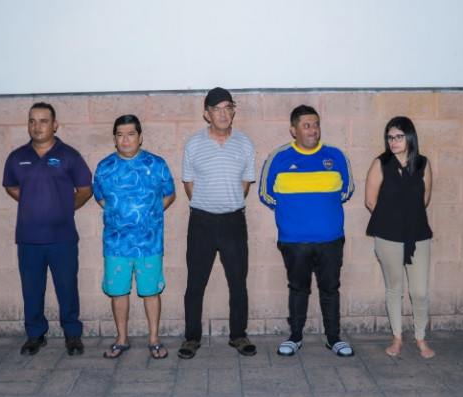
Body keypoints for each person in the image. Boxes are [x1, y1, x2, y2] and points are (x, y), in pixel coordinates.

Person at [259, 105, 355, 357]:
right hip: (294, 241)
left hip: (330, 239)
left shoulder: (336, 156)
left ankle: (333, 338)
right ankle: (295, 336)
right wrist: (295, 217)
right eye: (306, 125)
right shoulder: (278, 158)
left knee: (330, 288)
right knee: (298, 288)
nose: (313, 129)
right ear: (294, 130)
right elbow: (266, 194)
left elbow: (347, 191)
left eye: (316, 124)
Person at [2, 102, 93, 356]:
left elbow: (86, 190)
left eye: (43, 121)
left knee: (67, 288)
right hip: (28, 238)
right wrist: (32, 200)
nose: (37, 126)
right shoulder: (17, 157)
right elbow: (10, 187)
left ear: (55, 125)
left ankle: (72, 335)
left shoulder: (69, 155)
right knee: (31, 289)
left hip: (62, 238)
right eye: (32, 121)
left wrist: (65, 207)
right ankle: (35, 335)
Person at [179, 87, 256, 359]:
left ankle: (238, 335)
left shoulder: (245, 144)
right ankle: (191, 338)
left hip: (234, 221)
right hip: (201, 221)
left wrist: (228, 202)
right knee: (195, 284)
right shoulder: (193, 144)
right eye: (216, 109)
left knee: (238, 282)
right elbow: (189, 183)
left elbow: (245, 183)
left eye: (227, 107)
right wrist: (208, 205)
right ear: (206, 114)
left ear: (233, 111)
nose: (222, 114)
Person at [93, 115, 176, 359]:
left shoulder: (157, 164)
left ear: (140, 137)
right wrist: (120, 218)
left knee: (151, 291)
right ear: (114, 139)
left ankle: (154, 339)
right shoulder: (104, 167)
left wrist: (149, 217)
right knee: (118, 292)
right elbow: (101, 198)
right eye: (120, 134)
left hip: (149, 243)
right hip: (116, 244)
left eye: (130, 134)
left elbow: (169, 194)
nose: (125, 139)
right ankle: (121, 338)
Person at [365, 117, 435, 358]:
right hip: (389, 236)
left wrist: (408, 220)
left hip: (417, 235)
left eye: (398, 136)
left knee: (419, 292)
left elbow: (424, 199)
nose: (393, 141)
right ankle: (397, 338)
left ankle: (420, 338)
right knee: (395, 288)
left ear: (410, 137)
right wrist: (392, 221)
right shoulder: (380, 163)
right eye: (389, 137)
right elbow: (370, 201)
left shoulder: (423, 163)